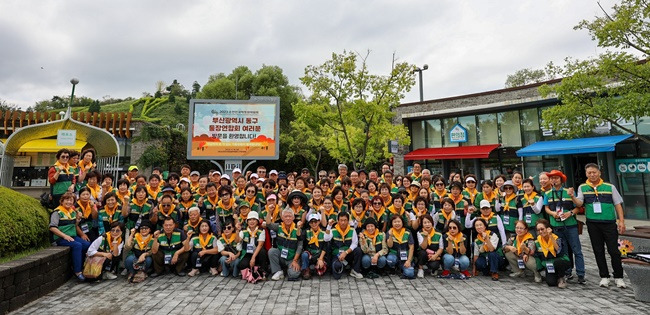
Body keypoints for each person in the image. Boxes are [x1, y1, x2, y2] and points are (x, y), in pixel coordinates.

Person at [574, 163, 626, 288]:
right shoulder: (582, 187)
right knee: (598, 251)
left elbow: (618, 204)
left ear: (599, 172)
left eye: (594, 172)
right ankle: (604, 276)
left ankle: (618, 277)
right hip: (593, 223)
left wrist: (621, 221)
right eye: (589, 173)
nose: (592, 175)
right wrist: (572, 196)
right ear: (586, 174)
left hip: (609, 223)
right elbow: (579, 203)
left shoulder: (610, 187)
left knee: (614, 251)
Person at [543, 169, 585, 284]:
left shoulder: (569, 191)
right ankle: (567, 272)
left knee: (577, 250)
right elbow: (546, 208)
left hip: (570, 226)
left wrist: (570, 213)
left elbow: (578, 207)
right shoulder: (547, 194)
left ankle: (581, 274)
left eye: (556, 178)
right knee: (563, 251)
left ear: (562, 179)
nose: (554, 180)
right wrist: (552, 214)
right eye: (552, 178)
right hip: (556, 226)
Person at [49, 192, 91, 281]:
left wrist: (78, 219)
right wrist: (64, 236)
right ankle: (77, 271)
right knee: (77, 245)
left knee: (87, 245)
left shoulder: (72, 212)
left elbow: (74, 225)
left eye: (71, 200)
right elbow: (52, 228)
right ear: (62, 201)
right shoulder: (57, 212)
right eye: (67, 200)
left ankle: (79, 265)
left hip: (72, 236)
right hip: (60, 238)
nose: (69, 202)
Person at [267, 209, 303, 281]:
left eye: (290, 216)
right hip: (281, 256)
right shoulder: (278, 226)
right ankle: (278, 271)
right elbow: (268, 224)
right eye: (286, 216)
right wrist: (269, 212)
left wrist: (295, 260)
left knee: (293, 274)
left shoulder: (298, 229)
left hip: (292, 258)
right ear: (282, 218)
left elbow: (300, 247)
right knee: (272, 251)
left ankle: (288, 269)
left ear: (293, 218)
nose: (288, 218)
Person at [534, 219, 571, 288]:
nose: (540, 231)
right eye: (538, 230)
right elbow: (537, 255)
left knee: (558, 263)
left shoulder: (556, 237)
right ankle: (555, 276)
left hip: (560, 260)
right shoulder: (538, 240)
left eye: (542, 229)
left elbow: (558, 250)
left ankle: (562, 278)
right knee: (551, 283)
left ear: (548, 228)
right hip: (549, 263)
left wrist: (550, 236)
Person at [327, 212, 364, 279]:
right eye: (341, 220)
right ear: (338, 221)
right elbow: (326, 239)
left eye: (345, 220)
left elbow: (354, 243)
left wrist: (346, 252)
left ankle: (355, 270)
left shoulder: (352, 230)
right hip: (337, 255)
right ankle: (342, 267)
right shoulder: (333, 230)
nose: (343, 222)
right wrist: (329, 226)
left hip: (348, 254)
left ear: (348, 221)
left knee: (358, 250)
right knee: (337, 275)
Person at [238, 212, 268, 277]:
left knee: (262, 251)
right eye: (250, 220)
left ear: (257, 221)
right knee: (242, 265)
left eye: (254, 219)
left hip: (257, 253)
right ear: (247, 221)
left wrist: (253, 258)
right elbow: (238, 240)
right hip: (247, 253)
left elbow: (260, 245)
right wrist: (237, 231)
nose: (252, 221)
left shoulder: (261, 231)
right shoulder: (243, 230)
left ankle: (263, 271)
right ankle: (252, 270)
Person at [301, 213, 330, 279]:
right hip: (310, 254)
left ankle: (314, 267)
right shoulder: (306, 231)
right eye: (311, 222)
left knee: (320, 271)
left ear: (319, 222)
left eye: (315, 221)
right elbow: (300, 239)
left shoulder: (324, 232)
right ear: (309, 223)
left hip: (320, 254)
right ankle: (305, 269)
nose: (313, 224)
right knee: (304, 255)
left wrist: (320, 259)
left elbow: (326, 246)